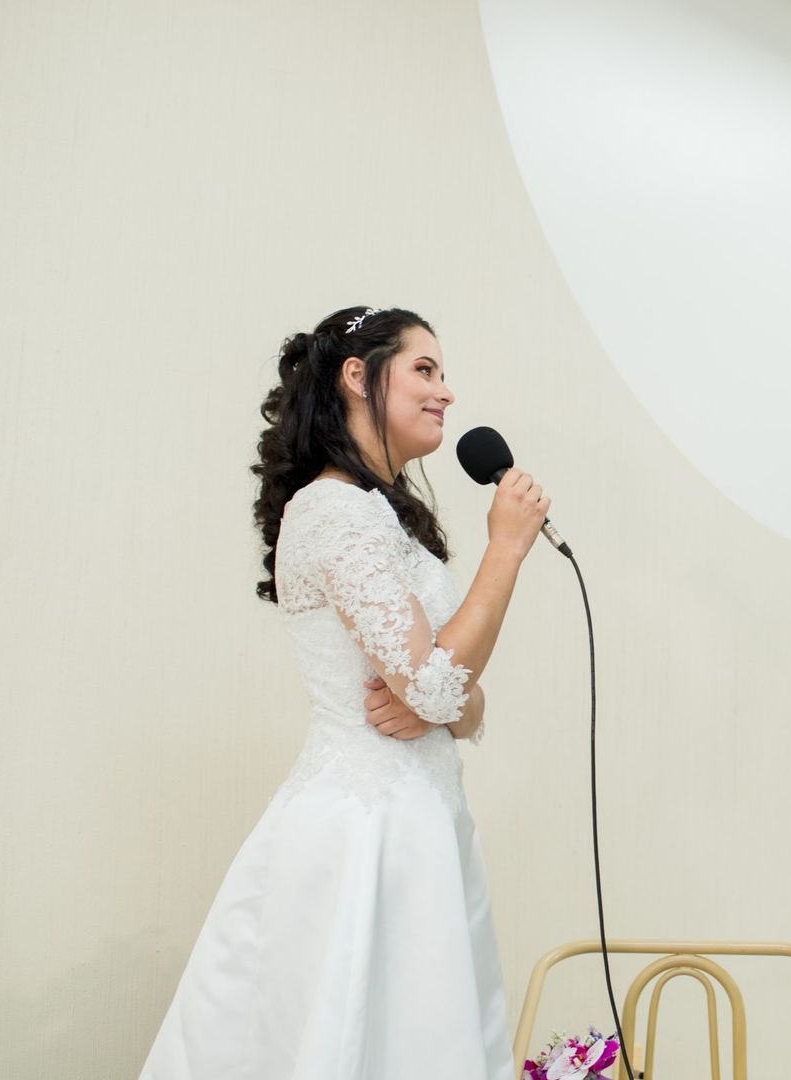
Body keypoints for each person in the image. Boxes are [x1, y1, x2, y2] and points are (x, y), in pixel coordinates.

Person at [141, 306, 546, 1079]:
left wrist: (445, 702)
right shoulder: (330, 508)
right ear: (357, 377)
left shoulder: (385, 516)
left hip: (423, 819)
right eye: (424, 370)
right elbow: (434, 683)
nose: (445, 392)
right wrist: (505, 548)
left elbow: (457, 698)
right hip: (362, 832)